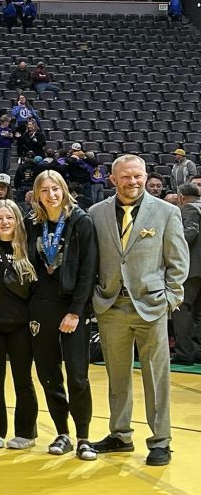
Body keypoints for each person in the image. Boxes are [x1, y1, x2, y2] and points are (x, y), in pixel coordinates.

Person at [87, 155, 188, 467]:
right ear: (113, 179)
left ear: (146, 177)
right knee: (117, 377)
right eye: (126, 177)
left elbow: (178, 261)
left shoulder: (167, 212)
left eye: (138, 176)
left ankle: (161, 441)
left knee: (156, 379)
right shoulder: (96, 213)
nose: (133, 182)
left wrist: (170, 298)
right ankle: (120, 435)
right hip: (111, 307)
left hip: (152, 307)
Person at [25, 170, 99, 461]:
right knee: (48, 375)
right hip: (41, 308)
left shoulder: (81, 221)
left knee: (77, 376)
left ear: (64, 190)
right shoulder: (33, 223)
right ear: (37, 194)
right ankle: (62, 434)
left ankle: (83, 437)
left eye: (56, 189)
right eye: (45, 190)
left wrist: (76, 311)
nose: (51, 195)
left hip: (72, 308)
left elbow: (87, 270)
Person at [0, 199, 38, 450]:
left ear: (17, 221)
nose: (4, 223)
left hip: (21, 325)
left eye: (9, 218)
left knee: (23, 379)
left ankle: (26, 432)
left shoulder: (29, 248)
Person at [174, 183, 201, 364]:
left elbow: (190, 232)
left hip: (192, 269)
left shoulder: (190, 208)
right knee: (198, 312)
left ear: (181, 197)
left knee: (181, 309)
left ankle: (184, 353)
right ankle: (197, 350)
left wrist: (171, 242)